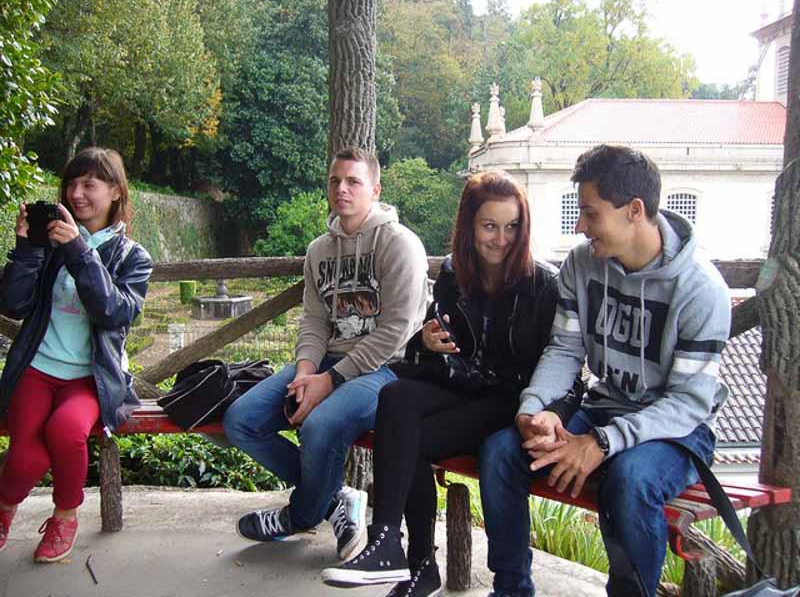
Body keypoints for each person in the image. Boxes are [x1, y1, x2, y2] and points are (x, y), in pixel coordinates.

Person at [480, 144, 731, 597]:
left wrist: (601, 443)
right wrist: (535, 409)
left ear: (634, 210)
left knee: (630, 480)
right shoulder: (582, 264)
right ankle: (511, 589)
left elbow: (688, 403)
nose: (580, 225)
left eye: (590, 213)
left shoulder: (700, 289)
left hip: (677, 430)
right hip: (605, 410)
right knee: (502, 452)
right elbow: (565, 349)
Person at [320, 171, 581, 596]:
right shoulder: (454, 273)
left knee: (408, 440)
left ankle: (419, 564)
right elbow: (433, 353)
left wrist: (550, 414)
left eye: (512, 226)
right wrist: (424, 342)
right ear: (469, 226)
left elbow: (566, 368)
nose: (502, 239)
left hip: (513, 401)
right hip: (464, 387)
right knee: (395, 395)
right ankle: (388, 541)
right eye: (490, 226)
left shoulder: (543, 285)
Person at [223, 147, 429, 562]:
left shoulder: (400, 244)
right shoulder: (319, 250)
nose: (342, 189)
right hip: (326, 363)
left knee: (319, 426)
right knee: (241, 421)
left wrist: (329, 382)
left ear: (375, 189)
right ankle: (335, 499)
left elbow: (396, 331)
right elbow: (314, 321)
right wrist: (305, 373)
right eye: (335, 181)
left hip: (388, 371)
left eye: (353, 181)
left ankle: (300, 515)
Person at [0, 147, 152, 562]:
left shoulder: (132, 257)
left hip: (90, 377)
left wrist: (80, 252)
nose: (77, 193)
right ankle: (4, 510)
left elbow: (114, 313)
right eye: (72, 183)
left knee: (67, 431)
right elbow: (13, 305)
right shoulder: (47, 243)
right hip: (37, 367)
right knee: (26, 455)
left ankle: (65, 516)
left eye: (90, 184)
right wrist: (26, 248)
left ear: (116, 191)